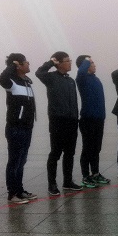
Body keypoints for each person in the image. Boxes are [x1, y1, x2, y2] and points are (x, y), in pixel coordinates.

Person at [35, 52, 82, 195]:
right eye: (67, 61)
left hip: (72, 121)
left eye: (70, 60)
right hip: (58, 121)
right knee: (55, 153)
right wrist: (50, 62)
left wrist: (76, 117)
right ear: (59, 63)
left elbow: (74, 102)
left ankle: (68, 181)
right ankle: (52, 184)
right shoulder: (51, 78)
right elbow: (39, 73)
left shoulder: (70, 80)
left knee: (70, 153)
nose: (70, 63)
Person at [0, 53, 38, 204]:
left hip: (27, 127)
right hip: (16, 127)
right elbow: (1, 79)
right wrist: (11, 65)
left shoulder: (26, 82)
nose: (28, 64)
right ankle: (12, 193)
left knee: (22, 160)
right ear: (18, 65)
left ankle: (20, 190)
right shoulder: (12, 83)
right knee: (14, 161)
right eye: (26, 62)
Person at [76, 55, 110, 188]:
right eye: (91, 63)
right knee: (88, 148)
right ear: (84, 65)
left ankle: (95, 173)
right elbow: (81, 71)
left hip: (99, 119)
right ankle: (86, 176)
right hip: (88, 119)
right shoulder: (82, 79)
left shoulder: (96, 79)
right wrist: (86, 60)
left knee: (96, 148)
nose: (94, 64)